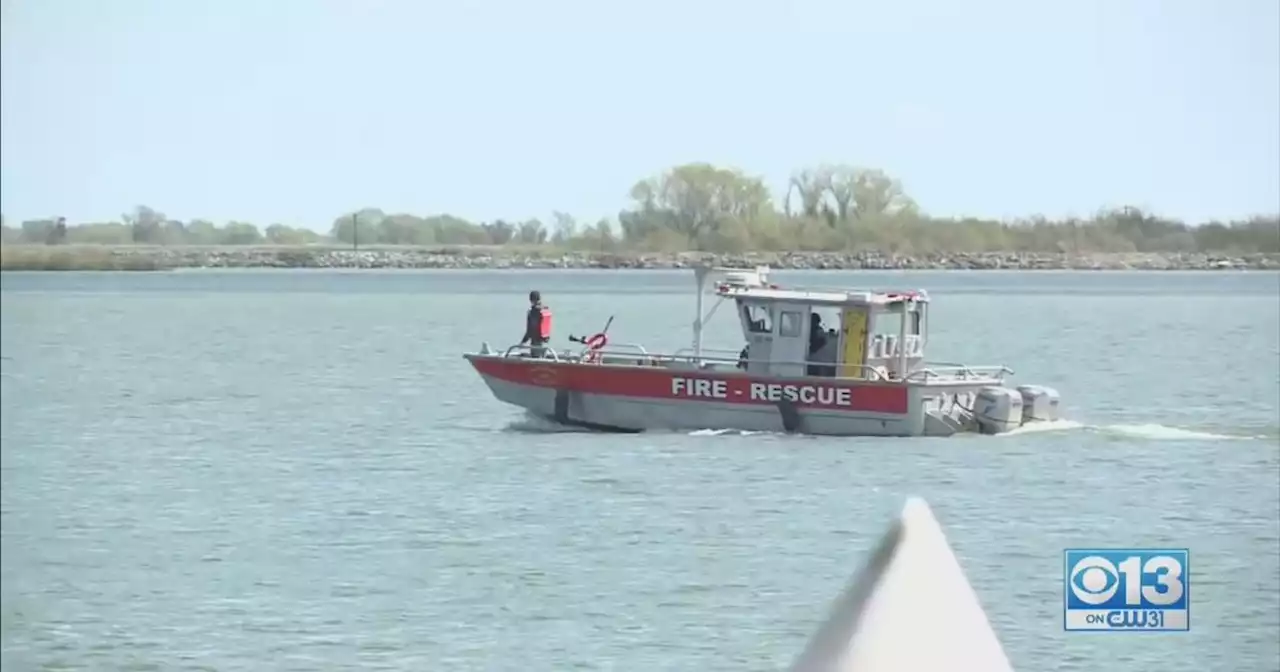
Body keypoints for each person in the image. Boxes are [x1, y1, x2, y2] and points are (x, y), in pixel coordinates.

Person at [520, 290, 552, 357]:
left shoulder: (533, 312)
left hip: (536, 342)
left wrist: (523, 342)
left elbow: (531, 329)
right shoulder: (545, 309)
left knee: (536, 358)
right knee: (543, 357)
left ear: (531, 300)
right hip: (545, 341)